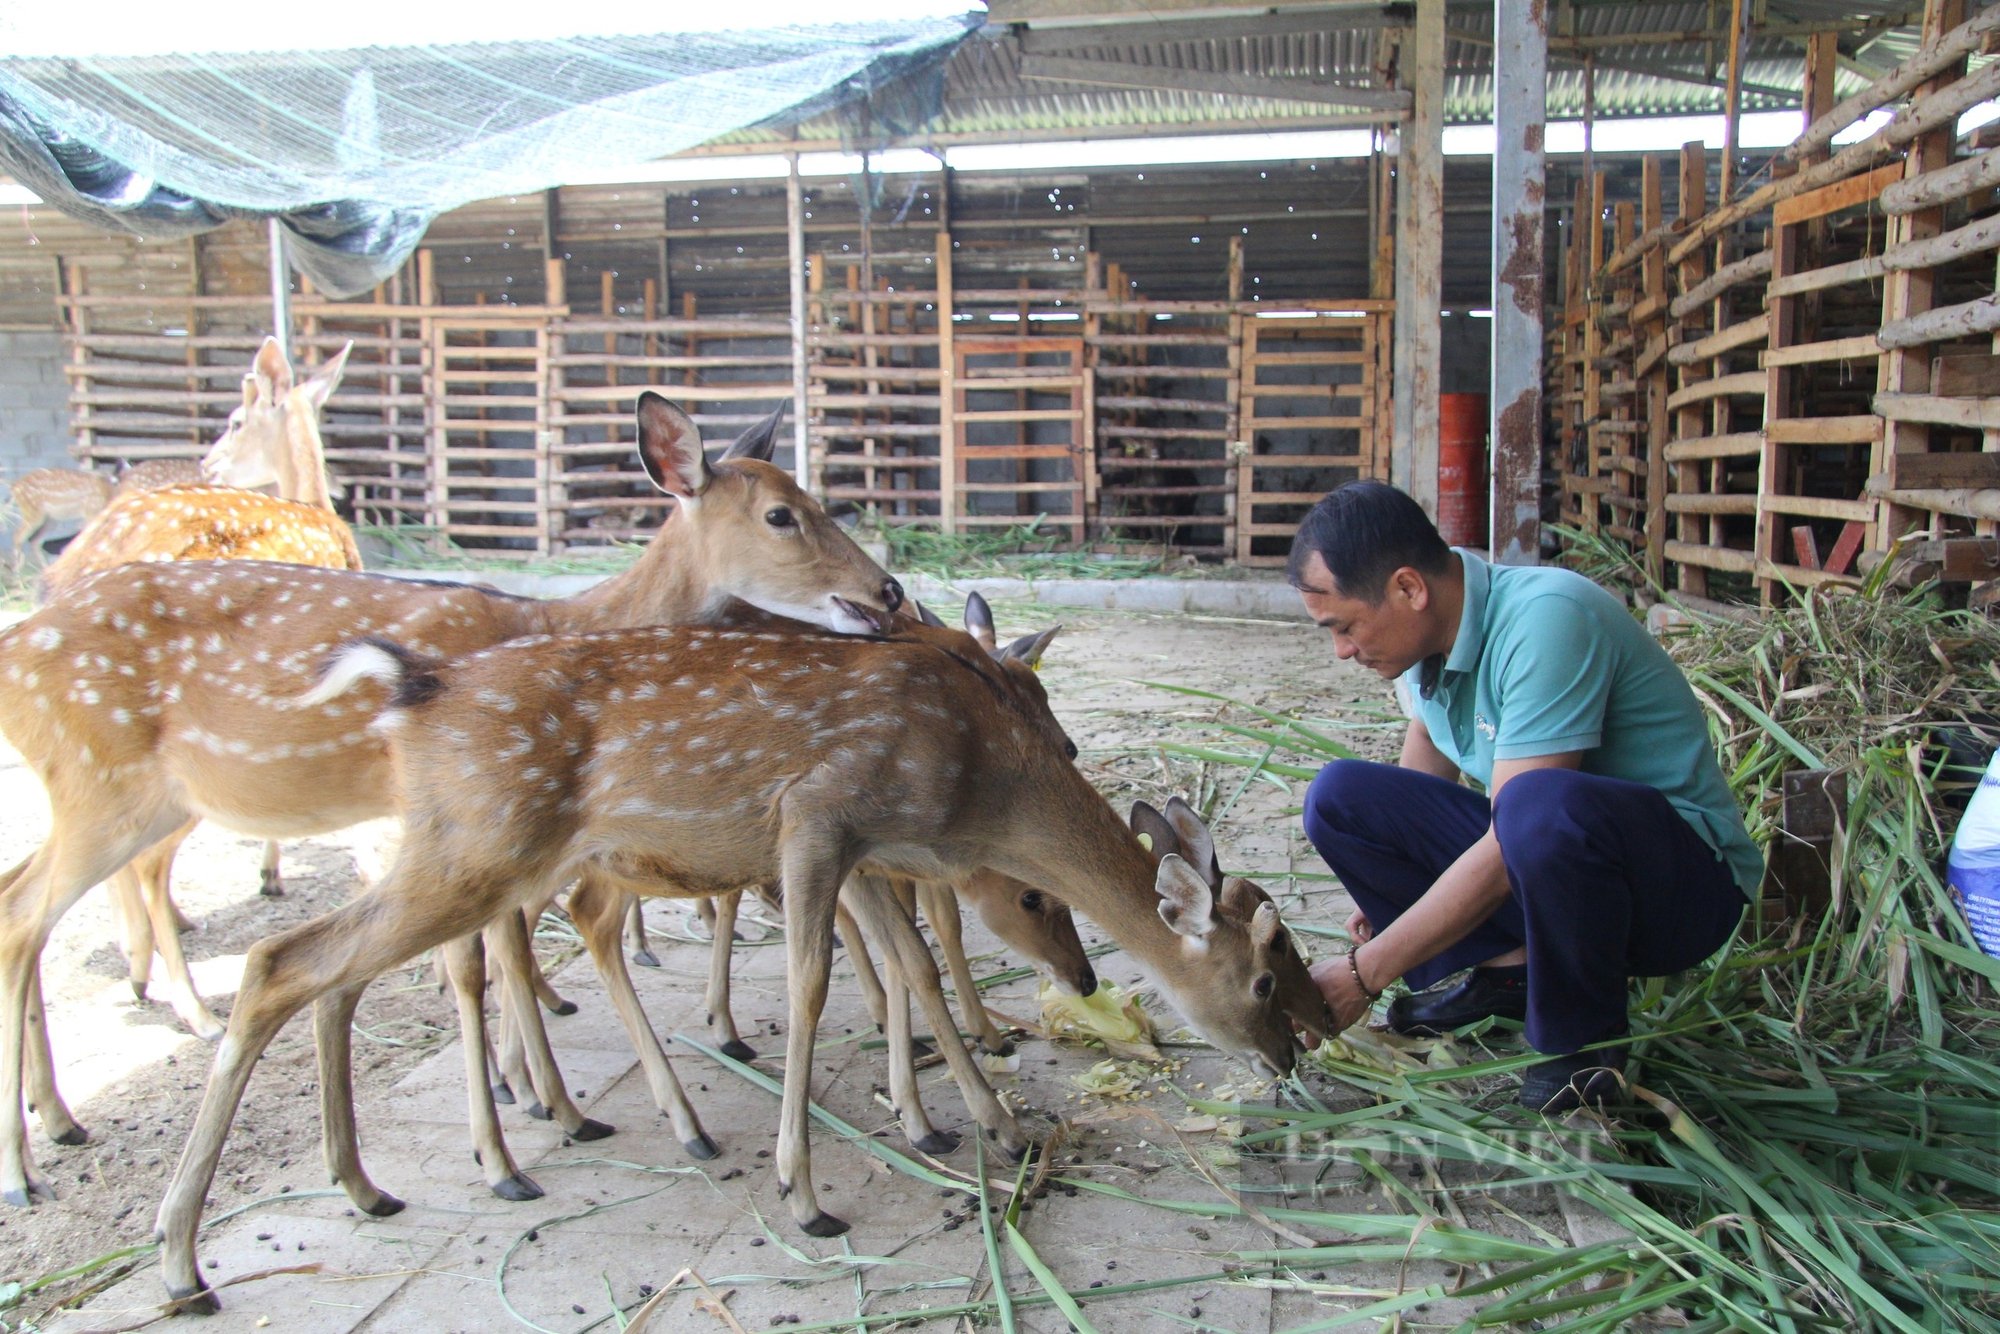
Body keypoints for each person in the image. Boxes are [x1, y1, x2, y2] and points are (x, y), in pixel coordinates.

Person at [1293, 481, 1760, 1111]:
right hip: (1553, 874)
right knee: (1339, 797)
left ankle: (1585, 1046)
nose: (1342, 650)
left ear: (1409, 588)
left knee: (1534, 807)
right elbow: (1417, 790)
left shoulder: (1548, 618)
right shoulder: (1427, 642)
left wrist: (1365, 973)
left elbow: (1512, 836)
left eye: (1345, 626)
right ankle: (1510, 973)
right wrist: (1392, 905)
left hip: (1675, 894)